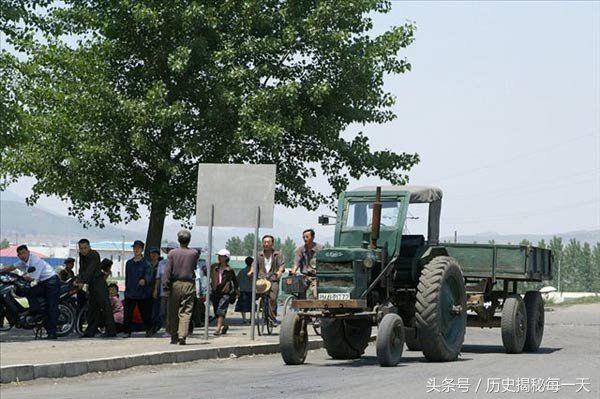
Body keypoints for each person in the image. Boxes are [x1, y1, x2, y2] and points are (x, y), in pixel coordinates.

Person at [3, 245, 60, 339]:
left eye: (24, 253)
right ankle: (35, 312)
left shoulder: (35, 261)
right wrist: (2, 271)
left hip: (51, 282)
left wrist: (20, 277)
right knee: (28, 291)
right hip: (43, 282)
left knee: (51, 306)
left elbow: (33, 278)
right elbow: (12, 267)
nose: (22, 255)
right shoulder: (23, 261)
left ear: (28, 252)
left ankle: (52, 333)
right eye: (20, 254)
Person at [163, 230, 199, 345]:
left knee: (173, 311)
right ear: (189, 240)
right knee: (186, 311)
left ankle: (174, 336)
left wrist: (166, 286)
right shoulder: (194, 253)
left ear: (178, 240)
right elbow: (193, 267)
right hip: (189, 283)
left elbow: (167, 271)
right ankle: (183, 335)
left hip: (175, 284)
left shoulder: (172, 253)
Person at [77, 239, 116, 338]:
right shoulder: (82, 256)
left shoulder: (94, 255)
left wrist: (82, 281)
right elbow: (82, 269)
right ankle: (91, 331)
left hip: (99, 283)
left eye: (85, 248)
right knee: (92, 308)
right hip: (91, 284)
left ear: (89, 247)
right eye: (81, 248)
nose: (83, 250)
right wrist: (79, 279)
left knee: (105, 306)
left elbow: (90, 270)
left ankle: (111, 331)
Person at [248, 235, 285, 321]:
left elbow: (281, 265)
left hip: (273, 279)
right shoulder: (258, 255)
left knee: (272, 298)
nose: (266, 244)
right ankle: (262, 307)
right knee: (257, 295)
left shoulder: (277, 254)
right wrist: (251, 271)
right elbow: (254, 265)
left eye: (268, 242)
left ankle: (272, 317)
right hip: (262, 279)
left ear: (272, 243)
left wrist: (279, 271)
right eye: (264, 242)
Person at [123, 240, 154, 337]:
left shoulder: (146, 264)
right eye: (134, 248)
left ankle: (149, 329)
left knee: (145, 313)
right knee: (128, 313)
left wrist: (145, 280)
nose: (136, 250)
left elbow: (149, 277)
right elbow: (127, 278)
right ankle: (127, 331)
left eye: (138, 248)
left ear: (142, 250)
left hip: (142, 293)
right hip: (130, 292)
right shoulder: (129, 263)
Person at [210, 249, 238, 336]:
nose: (219, 258)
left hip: (225, 293)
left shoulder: (230, 270)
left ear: (226, 258)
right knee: (216, 312)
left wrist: (236, 291)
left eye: (221, 256)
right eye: (219, 256)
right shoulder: (214, 267)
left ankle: (218, 329)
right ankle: (224, 325)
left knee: (221, 310)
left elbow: (235, 282)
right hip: (215, 291)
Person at [290, 229, 323, 299]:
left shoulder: (320, 249)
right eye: (303, 237)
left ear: (313, 237)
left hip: (317, 276)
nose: (305, 239)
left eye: (307, 237)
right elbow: (296, 262)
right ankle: (302, 307)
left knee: (315, 294)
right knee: (300, 289)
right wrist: (293, 270)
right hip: (305, 276)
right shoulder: (300, 250)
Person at [153, 242, 177, 335]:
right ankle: (167, 326)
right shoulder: (162, 263)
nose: (169, 251)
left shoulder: (178, 263)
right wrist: (155, 289)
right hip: (164, 291)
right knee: (163, 311)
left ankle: (170, 329)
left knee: (171, 310)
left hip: (174, 291)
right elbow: (158, 278)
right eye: (168, 250)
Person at [148, 247, 162, 334]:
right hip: (148, 289)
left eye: (155, 254)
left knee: (156, 309)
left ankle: (156, 324)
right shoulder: (147, 265)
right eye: (151, 253)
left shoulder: (161, 264)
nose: (153, 255)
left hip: (158, 289)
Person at [235, 256, 253, 324]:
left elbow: (237, 281)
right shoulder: (254, 272)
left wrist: (237, 290)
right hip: (251, 291)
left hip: (243, 291)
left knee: (242, 306)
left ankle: (244, 319)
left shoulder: (242, 271)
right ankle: (251, 319)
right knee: (251, 306)